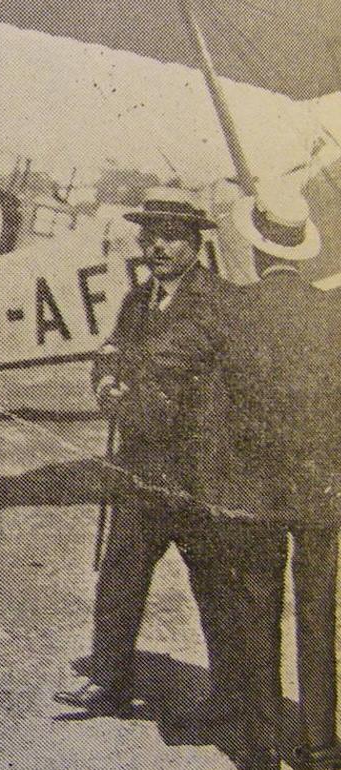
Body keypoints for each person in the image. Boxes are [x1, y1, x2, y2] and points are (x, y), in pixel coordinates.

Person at [53, 188, 252, 730]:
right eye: (150, 235)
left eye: (170, 236)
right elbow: (112, 354)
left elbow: (176, 365)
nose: (156, 245)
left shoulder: (219, 302)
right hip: (141, 466)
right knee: (120, 573)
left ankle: (233, 701)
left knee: (214, 585)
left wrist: (125, 380)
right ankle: (109, 679)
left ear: (194, 242)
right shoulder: (137, 300)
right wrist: (106, 377)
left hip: (197, 474)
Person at [197, 181, 338, 770]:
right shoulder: (333, 314)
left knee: (257, 612)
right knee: (317, 614)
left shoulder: (234, 311)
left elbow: (213, 407)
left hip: (252, 491)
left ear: (255, 250)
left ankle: (260, 746)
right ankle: (321, 744)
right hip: (320, 490)